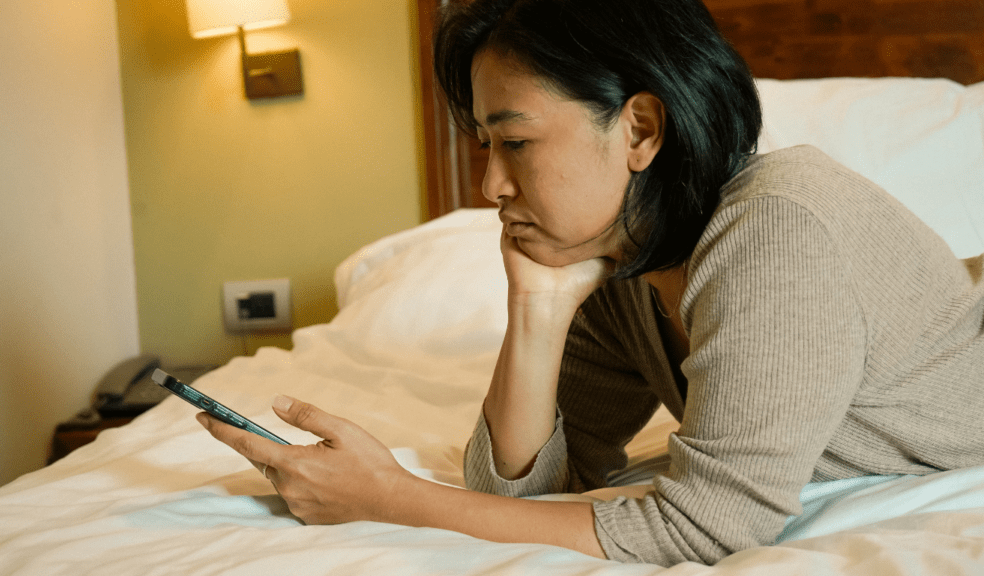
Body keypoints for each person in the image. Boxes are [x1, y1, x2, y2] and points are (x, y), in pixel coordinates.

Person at [196, 0, 984, 567]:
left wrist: (390, 497)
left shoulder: (777, 230)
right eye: (482, 146)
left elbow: (708, 530)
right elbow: (525, 490)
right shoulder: (628, 259)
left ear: (641, 128)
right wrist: (535, 308)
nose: (491, 187)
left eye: (516, 142)